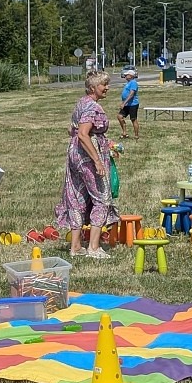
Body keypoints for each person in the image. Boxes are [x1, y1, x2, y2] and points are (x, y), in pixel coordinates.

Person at [55, 71, 120, 259]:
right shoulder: (93, 107)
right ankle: (93, 247)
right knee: (101, 198)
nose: (107, 87)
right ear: (93, 88)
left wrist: (106, 144)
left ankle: (75, 247)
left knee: (76, 197)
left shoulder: (81, 103)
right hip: (87, 157)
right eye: (103, 85)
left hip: (74, 154)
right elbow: (83, 134)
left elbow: (72, 130)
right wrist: (97, 159)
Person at [117, 68, 140, 139]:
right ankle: (124, 133)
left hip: (132, 104)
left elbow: (131, 94)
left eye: (127, 75)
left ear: (131, 75)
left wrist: (124, 103)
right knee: (120, 117)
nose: (125, 76)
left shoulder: (133, 83)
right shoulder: (128, 83)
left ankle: (136, 135)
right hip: (127, 104)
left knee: (133, 119)